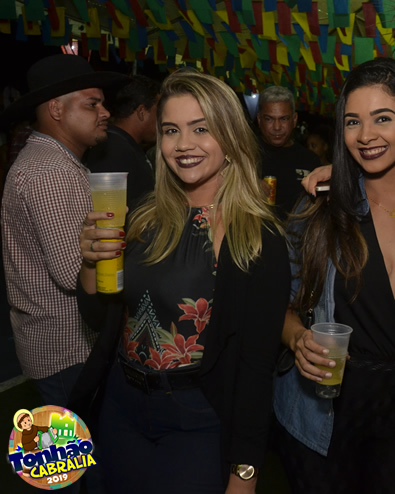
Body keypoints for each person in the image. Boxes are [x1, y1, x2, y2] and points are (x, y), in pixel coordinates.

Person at [70, 69, 290, 493]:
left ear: (230, 137)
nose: (183, 144)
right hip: (121, 405)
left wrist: (244, 475)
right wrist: (90, 262)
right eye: (171, 130)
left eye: (201, 129)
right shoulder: (142, 218)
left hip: (198, 417)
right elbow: (98, 317)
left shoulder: (257, 238)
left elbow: (255, 368)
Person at [273, 58, 395, 494]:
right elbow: (277, 304)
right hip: (325, 415)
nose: (365, 135)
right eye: (353, 121)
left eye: (383, 118)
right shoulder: (319, 208)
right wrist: (297, 339)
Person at [1, 54, 127, 406]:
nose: (105, 112)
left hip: (59, 345)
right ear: (56, 109)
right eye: (92, 104)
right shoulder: (51, 172)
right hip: (68, 349)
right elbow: (74, 273)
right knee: (78, 442)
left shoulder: (54, 162)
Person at [85, 75, 161, 209]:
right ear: (142, 112)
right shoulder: (114, 151)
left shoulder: (122, 145)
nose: (163, 120)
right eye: (159, 113)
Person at [256, 85, 321, 217]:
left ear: (294, 119)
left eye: (284, 119)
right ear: (259, 119)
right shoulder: (244, 153)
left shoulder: (310, 160)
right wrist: (245, 187)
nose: (277, 127)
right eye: (269, 119)